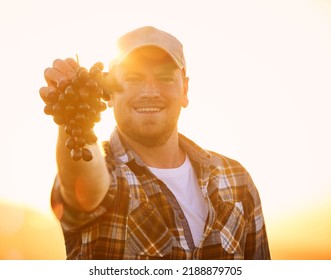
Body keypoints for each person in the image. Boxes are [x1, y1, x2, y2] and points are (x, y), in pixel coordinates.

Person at [42, 26, 271, 260]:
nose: (149, 91)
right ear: (108, 91)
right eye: (132, 79)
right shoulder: (107, 173)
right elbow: (85, 185)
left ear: (185, 90)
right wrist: (73, 113)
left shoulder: (236, 179)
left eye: (164, 78)